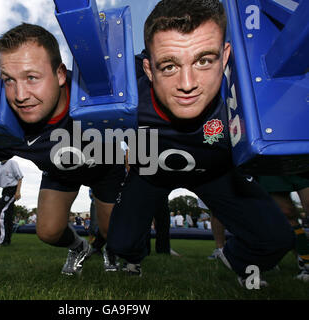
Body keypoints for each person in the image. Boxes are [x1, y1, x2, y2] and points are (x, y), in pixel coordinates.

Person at [107, 0, 294, 286]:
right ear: (148, 68)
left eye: (204, 60)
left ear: (226, 55)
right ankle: (134, 256)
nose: (187, 83)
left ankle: (236, 260)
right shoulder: (127, 89)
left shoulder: (249, 89)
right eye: (169, 66)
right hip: (152, 171)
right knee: (119, 243)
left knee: (276, 239)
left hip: (214, 172)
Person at [0, 23, 125, 275]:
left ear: (61, 74)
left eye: (32, 77)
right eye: (8, 80)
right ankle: (79, 248)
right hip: (60, 174)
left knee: (116, 235)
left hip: (106, 170)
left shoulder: (92, 94)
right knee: (48, 232)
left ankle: (111, 248)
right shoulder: (11, 124)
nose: (20, 95)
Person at [0, 159, 23, 246]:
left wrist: (18, 192)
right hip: (5, 191)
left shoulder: (12, 163)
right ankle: (7, 240)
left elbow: (20, 177)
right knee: (7, 215)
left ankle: (0, 239)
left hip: (12, 189)